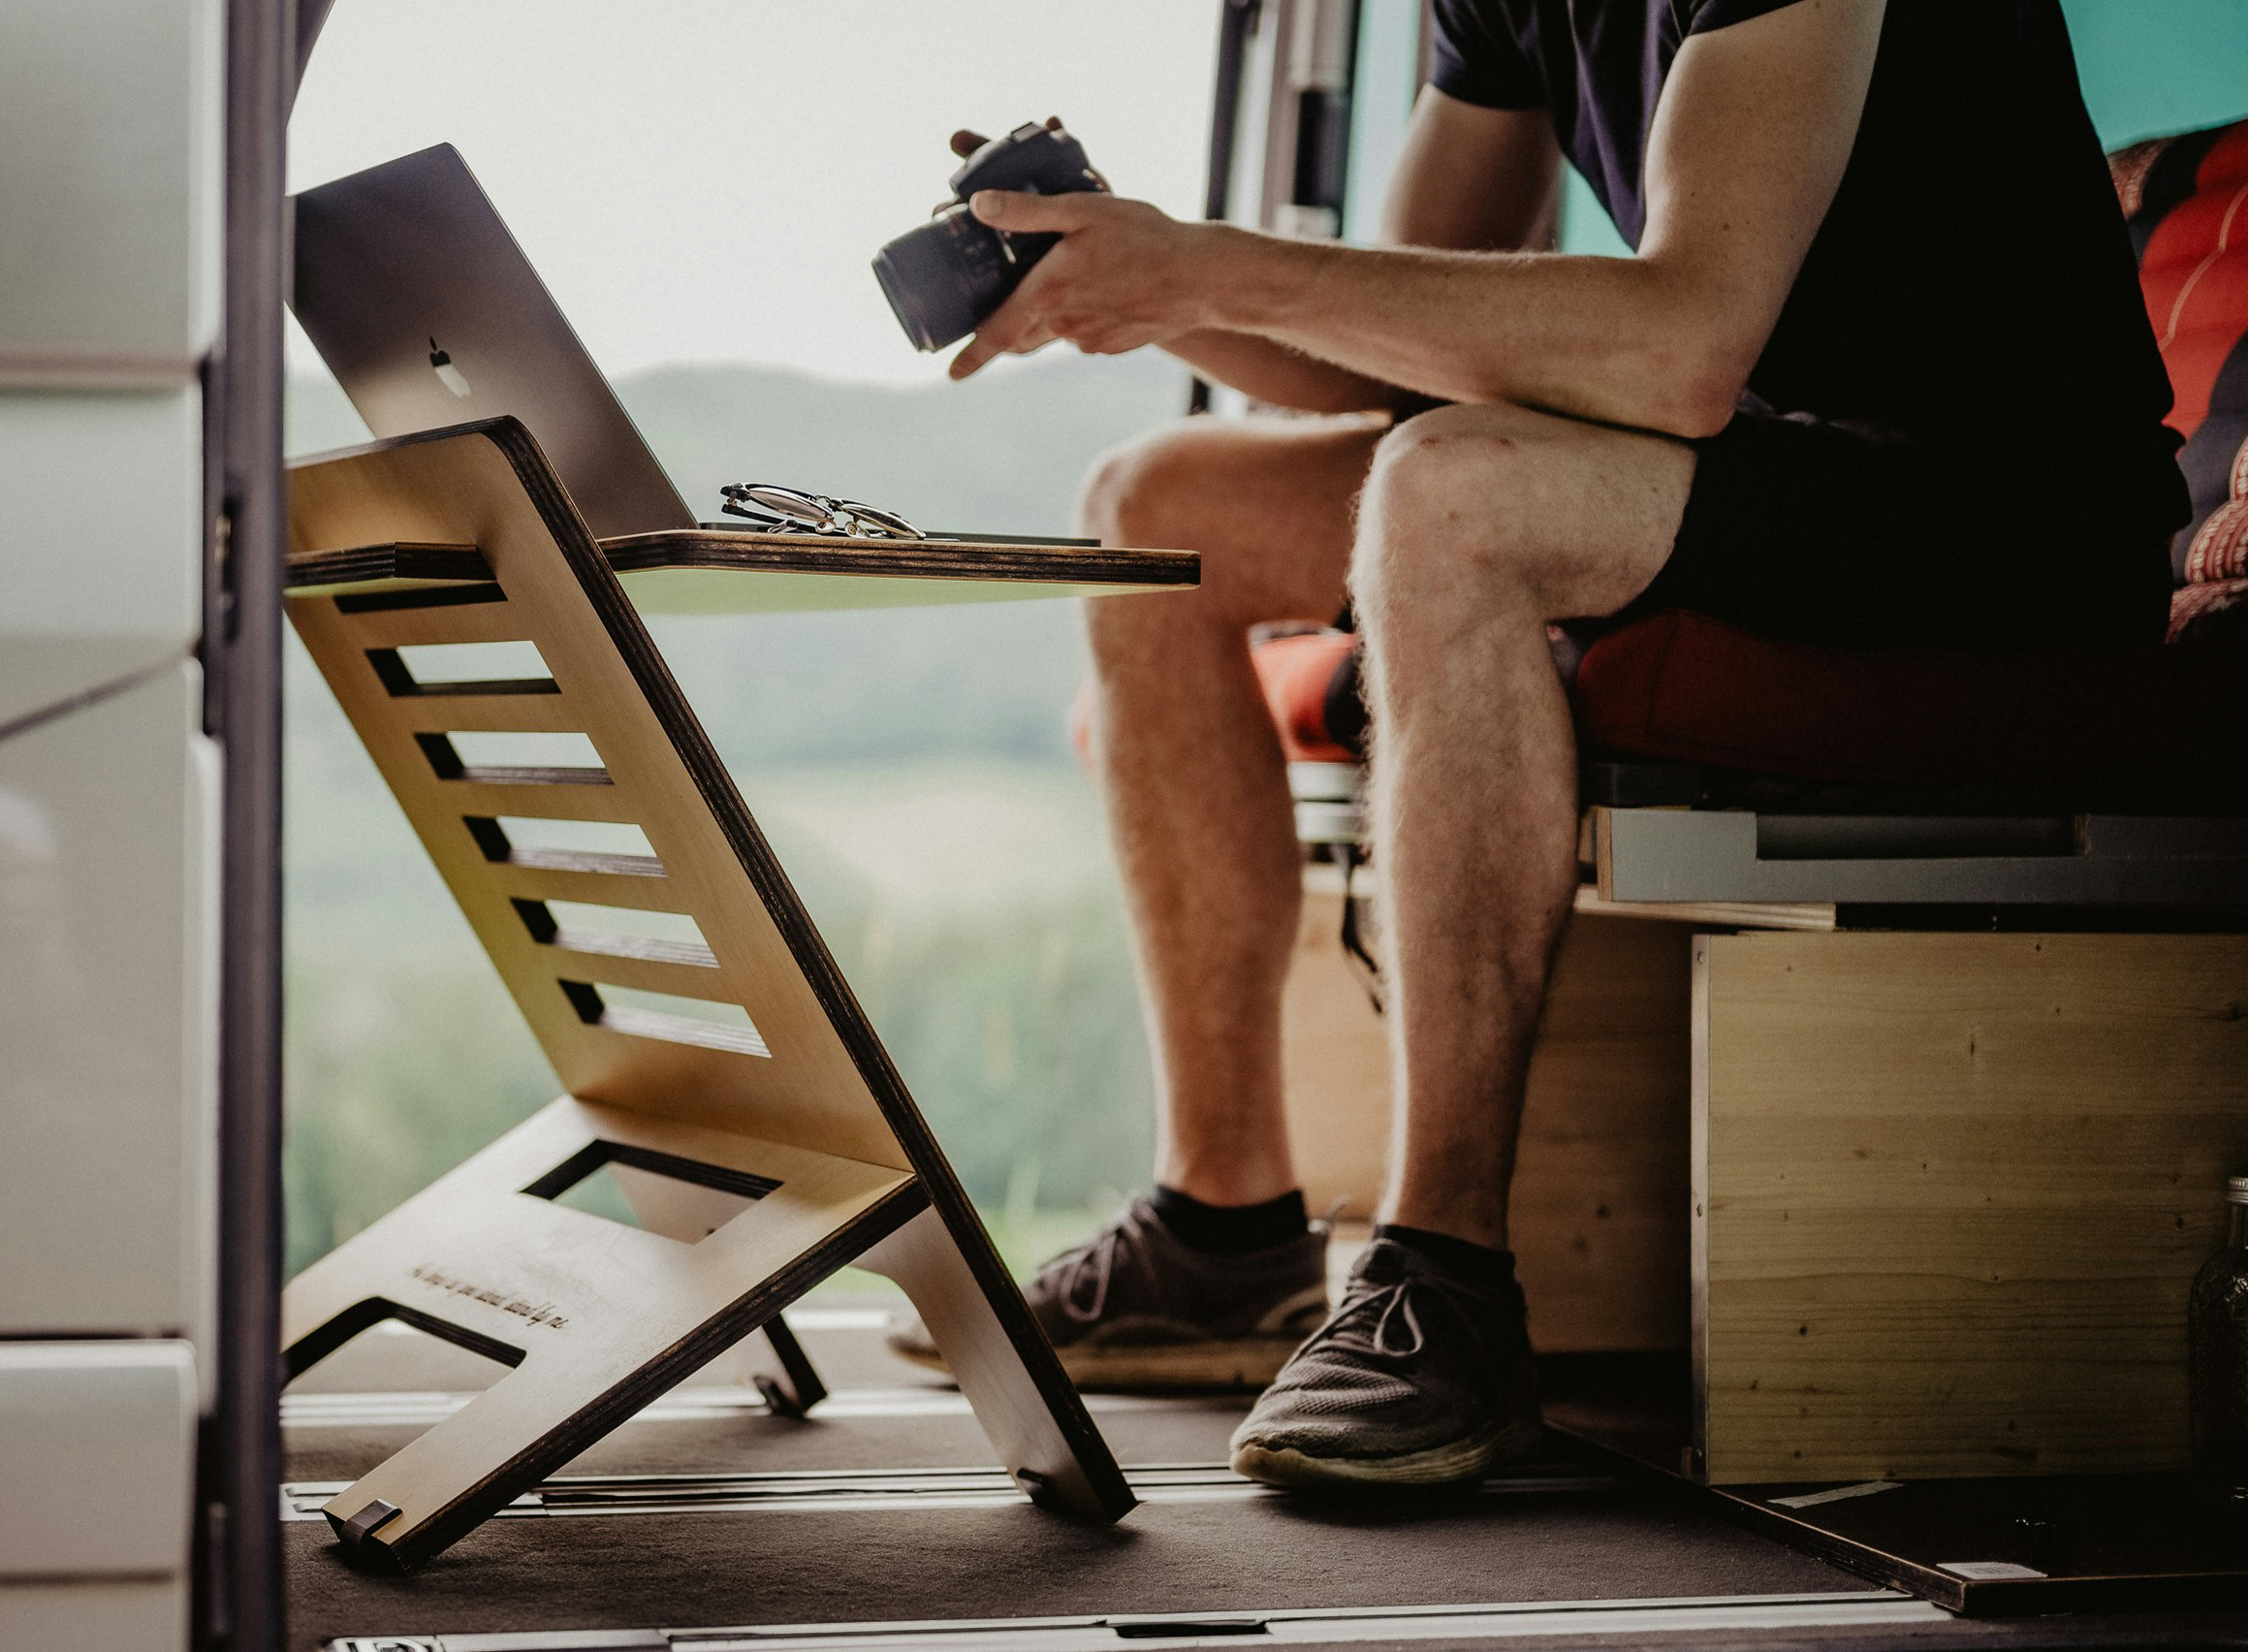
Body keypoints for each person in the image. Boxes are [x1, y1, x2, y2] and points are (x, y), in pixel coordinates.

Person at [885, 0, 2187, 1487]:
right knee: (1154, 506)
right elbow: (1387, 348)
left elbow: (1687, 341)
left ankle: (1444, 1279)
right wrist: (1134, 274)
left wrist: (1211, 265)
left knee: (1455, 492)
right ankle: (1224, 1225)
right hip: (1752, 464)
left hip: (1998, 519)